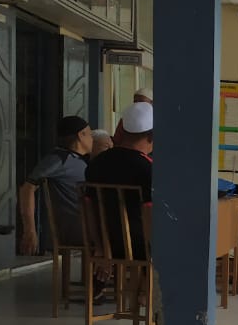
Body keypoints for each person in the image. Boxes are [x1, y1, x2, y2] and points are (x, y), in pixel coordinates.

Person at [17, 115, 93, 255]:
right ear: (81, 135)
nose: (92, 139)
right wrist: (30, 230)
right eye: (90, 134)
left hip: (90, 224)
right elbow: (27, 187)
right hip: (80, 228)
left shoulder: (82, 160)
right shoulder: (59, 159)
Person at [85, 101, 153, 256]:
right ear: (151, 136)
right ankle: (143, 278)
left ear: (121, 131)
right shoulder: (148, 168)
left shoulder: (95, 164)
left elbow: (89, 207)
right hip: (140, 246)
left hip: (106, 243)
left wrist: (100, 247)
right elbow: (150, 211)